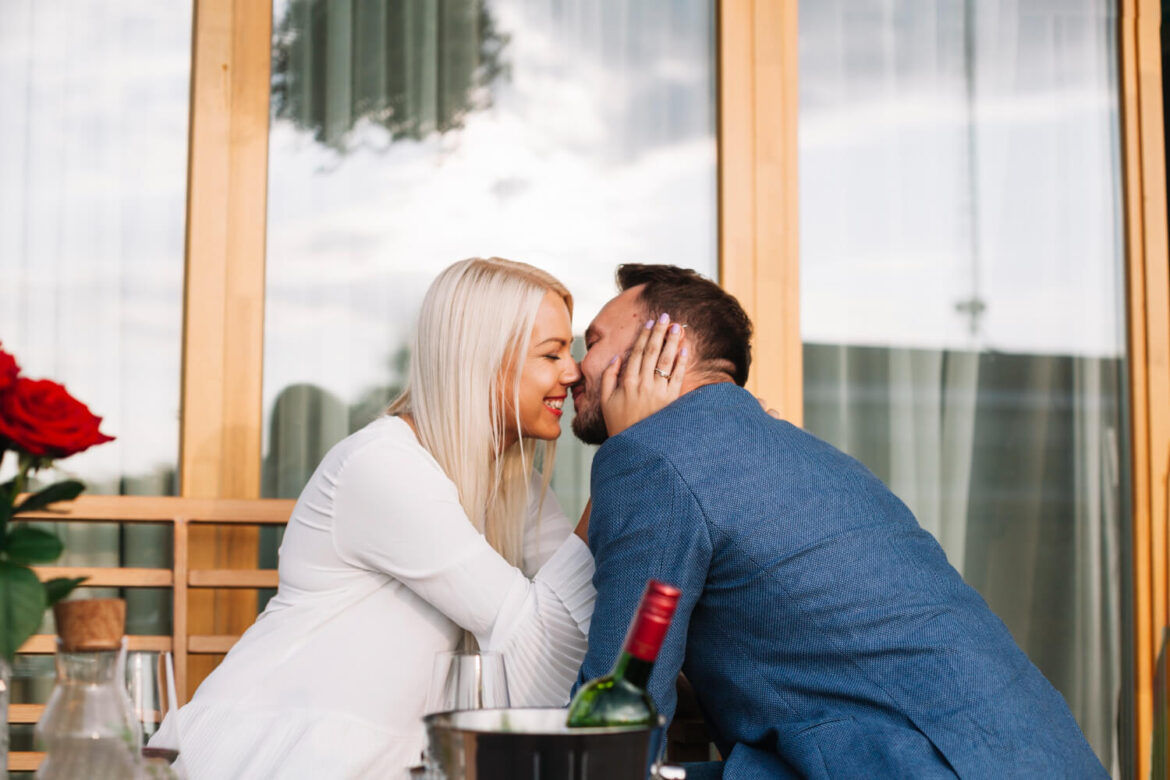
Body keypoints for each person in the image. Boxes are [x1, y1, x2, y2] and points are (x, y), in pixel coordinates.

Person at [149, 257, 684, 779]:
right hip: (286, 753)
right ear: (480, 359)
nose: (572, 373)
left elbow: (566, 650)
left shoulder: (513, 484)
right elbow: (540, 650)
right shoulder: (383, 467)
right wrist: (627, 450)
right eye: (550, 355)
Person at [571, 264, 1107, 778]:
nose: (574, 366)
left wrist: (632, 444)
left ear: (661, 345)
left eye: (592, 341)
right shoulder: (806, 456)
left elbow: (619, 715)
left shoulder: (655, 458)